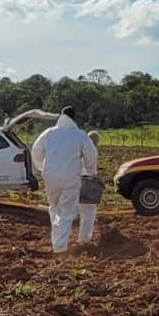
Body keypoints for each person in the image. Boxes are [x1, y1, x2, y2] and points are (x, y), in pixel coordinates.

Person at [29, 106, 98, 253]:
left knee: (54, 208)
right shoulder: (80, 135)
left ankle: (57, 241)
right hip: (70, 179)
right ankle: (60, 249)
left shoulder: (48, 133)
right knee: (66, 212)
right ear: (74, 118)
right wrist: (91, 173)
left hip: (50, 178)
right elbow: (90, 157)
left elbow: (35, 152)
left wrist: (42, 168)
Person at [77, 130, 102, 246]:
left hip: (75, 181)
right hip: (87, 182)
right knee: (89, 212)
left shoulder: (79, 150)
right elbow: (91, 171)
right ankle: (84, 240)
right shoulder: (92, 151)